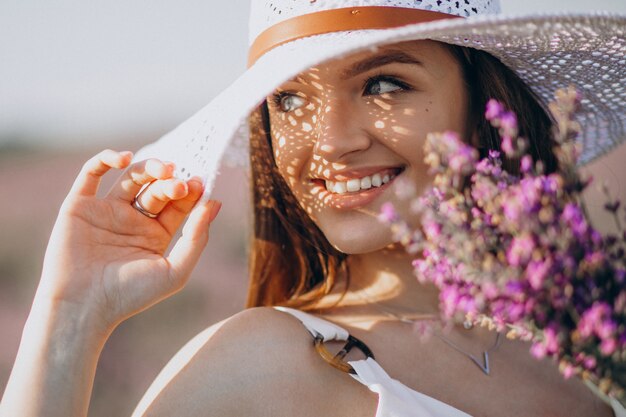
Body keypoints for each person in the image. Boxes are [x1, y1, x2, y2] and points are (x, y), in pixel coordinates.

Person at [1, 1, 625, 416]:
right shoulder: (268, 360)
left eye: (383, 84)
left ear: (484, 99)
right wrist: (69, 316)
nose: (331, 142)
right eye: (290, 100)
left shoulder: (584, 338)